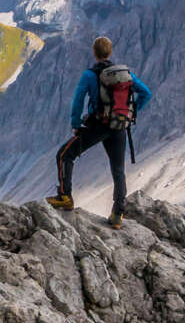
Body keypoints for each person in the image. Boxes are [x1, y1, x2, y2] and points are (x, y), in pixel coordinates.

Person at [45, 35, 152, 228]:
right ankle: (118, 215)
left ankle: (65, 197)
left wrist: (76, 123)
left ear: (94, 53)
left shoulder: (89, 75)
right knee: (118, 171)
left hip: (98, 126)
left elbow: (78, 101)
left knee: (64, 154)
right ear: (110, 52)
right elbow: (146, 93)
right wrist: (131, 113)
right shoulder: (125, 74)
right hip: (119, 127)